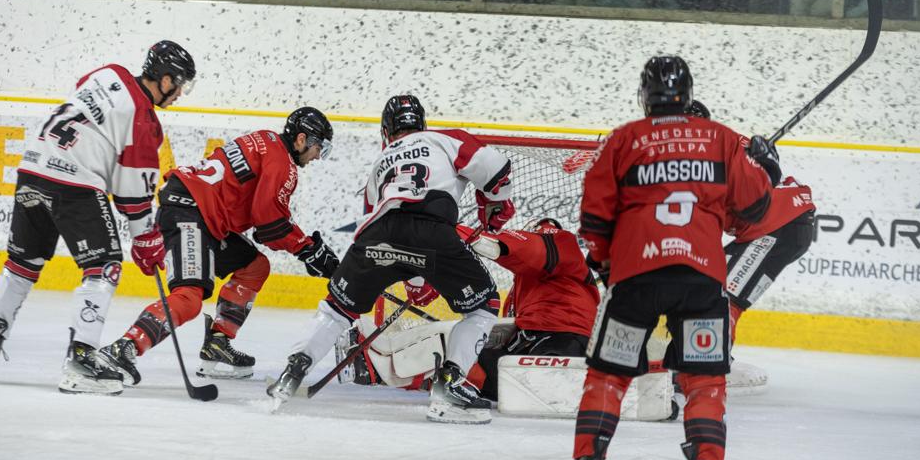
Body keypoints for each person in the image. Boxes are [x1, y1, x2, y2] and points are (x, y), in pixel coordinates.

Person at [560, 55, 776, 460]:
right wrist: (765, 169)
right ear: (688, 92)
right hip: (701, 279)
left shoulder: (623, 139)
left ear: (644, 95)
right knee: (705, 381)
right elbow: (755, 208)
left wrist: (607, 267)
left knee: (608, 375)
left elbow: (594, 218)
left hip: (635, 277)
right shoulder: (721, 138)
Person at [266, 94, 515, 425]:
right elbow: (498, 169)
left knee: (337, 309)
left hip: (375, 237)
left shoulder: (381, 161)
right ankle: (450, 386)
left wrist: (414, 280)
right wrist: (495, 203)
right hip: (432, 232)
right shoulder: (444, 139)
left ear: (386, 130)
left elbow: (379, 220)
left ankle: (292, 372)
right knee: (484, 306)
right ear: (421, 123)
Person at [0, 41, 195, 395]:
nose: (180, 94)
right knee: (104, 268)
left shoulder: (108, 73)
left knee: (22, 265)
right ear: (167, 79)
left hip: (32, 167)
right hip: (73, 182)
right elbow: (132, 193)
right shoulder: (144, 119)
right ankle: (81, 361)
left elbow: (87, 104)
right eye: (181, 85)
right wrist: (146, 238)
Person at [97, 108, 339, 385]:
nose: (317, 156)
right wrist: (308, 250)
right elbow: (270, 221)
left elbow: (259, 215)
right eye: (319, 147)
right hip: (191, 212)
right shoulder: (283, 163)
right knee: (189, 298)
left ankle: (218, 343)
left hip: (203, 214)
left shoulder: (266, 140)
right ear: (301, 139)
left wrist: (302, 246)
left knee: (254, 267)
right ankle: (124, 348)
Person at [687, 100, 816, 348]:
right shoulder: (722, 145)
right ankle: (707, 359)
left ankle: (709, 362)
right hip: (783, 223)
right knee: (713, 292)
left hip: (776, 224)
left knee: (719, 298)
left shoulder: (702, 155)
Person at [459, 217, 600, 401]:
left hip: (562, 338)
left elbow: (532, 247)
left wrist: (457, 233)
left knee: (546, 392)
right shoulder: (523, 284)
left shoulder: (560, 240)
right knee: (465, 362)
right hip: (532, 342)